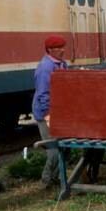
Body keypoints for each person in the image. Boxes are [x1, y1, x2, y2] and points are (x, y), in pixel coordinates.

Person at [32, 35, 68, 188]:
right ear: (50, 50)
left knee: (64, 147)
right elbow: (43, 94)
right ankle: (46, 180)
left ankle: (58, 178)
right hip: (46, 112)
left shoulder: (62, 64)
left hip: (59, 111)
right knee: (53, 149)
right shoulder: (45, 68)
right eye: (59, 48)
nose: (62, 51)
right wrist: (48, 115)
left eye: (63, 47)